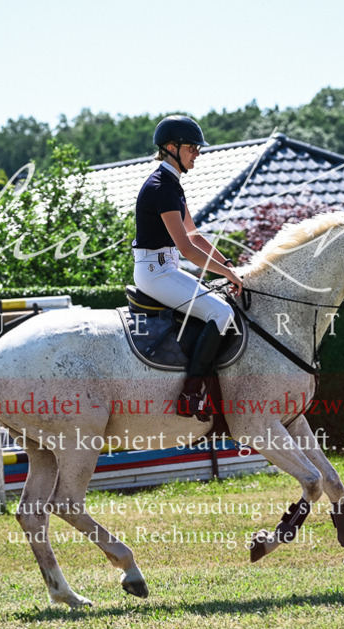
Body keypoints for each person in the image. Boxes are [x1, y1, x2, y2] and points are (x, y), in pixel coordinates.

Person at [133, 115, 243, 420]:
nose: (197, 152)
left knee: (221, 305)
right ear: (171, 147)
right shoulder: (161, 187)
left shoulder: (173, 185)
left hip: (166, 270)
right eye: (192, 147)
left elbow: (195, 235)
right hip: (156, 274)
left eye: (198, 147)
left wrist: (229, 265)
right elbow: (186, 249)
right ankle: (191, 394)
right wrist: (226, 274)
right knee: (221, 313)